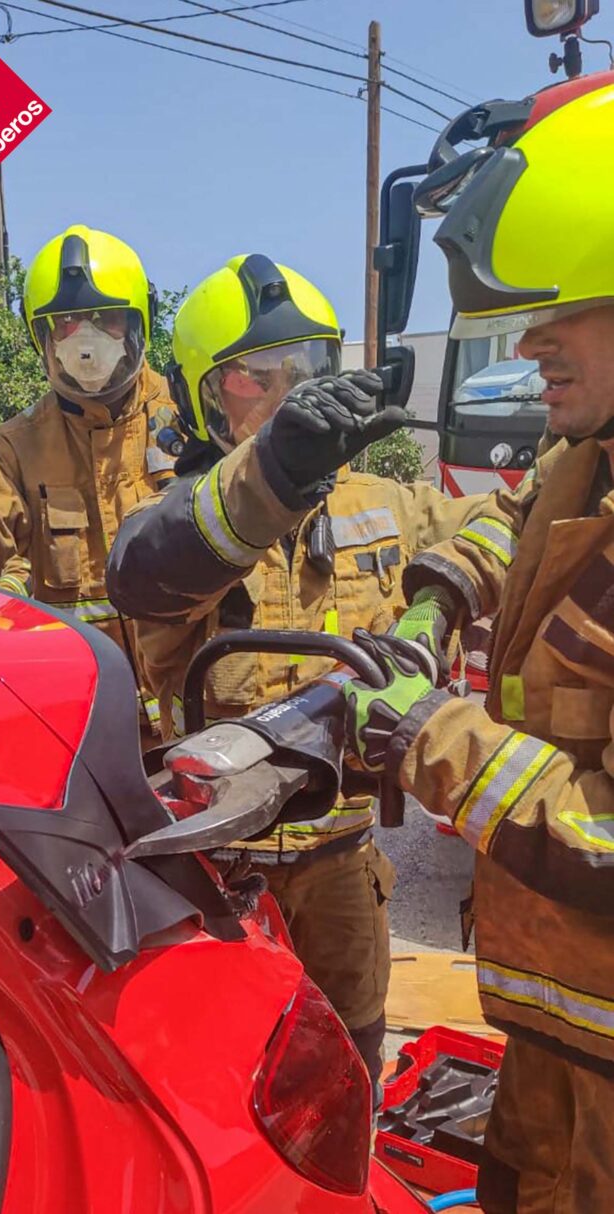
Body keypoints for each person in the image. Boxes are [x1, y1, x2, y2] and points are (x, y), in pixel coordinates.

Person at [106, 253, 485, 1093]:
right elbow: (143, 570)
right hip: (217, 879)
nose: (285, 388)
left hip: (344, 864)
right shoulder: (177, 513)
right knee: (223, 1080)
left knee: (349, 1069)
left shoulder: (384, 501)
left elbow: (502, 525)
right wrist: (277, 468)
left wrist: (436, 607)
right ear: (206, 394)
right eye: (253, 376)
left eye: (304, 367)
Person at [343, 73, 614, 1213]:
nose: (532, 343)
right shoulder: (588, 459)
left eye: (568, 313)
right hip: (561, 1041)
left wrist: (429, 731)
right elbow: (515, 518)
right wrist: (435, 598)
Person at [0, 225, 178, 739]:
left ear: (139, 322)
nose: (87, 339)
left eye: (105, 319)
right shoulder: (17, 446)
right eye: (68, 323)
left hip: (189, 715)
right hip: (85, 722)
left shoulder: (191, 422)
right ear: (43, 337)